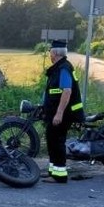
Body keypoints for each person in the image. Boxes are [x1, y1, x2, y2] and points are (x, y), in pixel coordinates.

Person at [42, 40, 84, 184]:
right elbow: (55, 91)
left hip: (62, 114)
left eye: (50, 52)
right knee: (52, 141)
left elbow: (66, 91)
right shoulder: (59, 67)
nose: (49, 54)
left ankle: (60, 176)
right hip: (54, 113)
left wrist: (59, 113)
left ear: (54, 53)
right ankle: (53, 172)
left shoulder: (64, 68)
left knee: (57, 142)